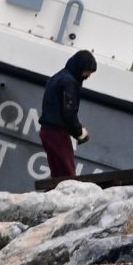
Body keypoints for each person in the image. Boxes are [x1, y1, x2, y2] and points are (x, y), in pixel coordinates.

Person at [38, 49, 98, 188]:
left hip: (46, 130)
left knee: (57, 173)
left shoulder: (58, 77)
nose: (88, 75)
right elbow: (69, 112)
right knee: (68, 175)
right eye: (88, 71)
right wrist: (78, 131)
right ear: (80, 67)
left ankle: (53, 196)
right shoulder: (69, 82)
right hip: (57, 132)